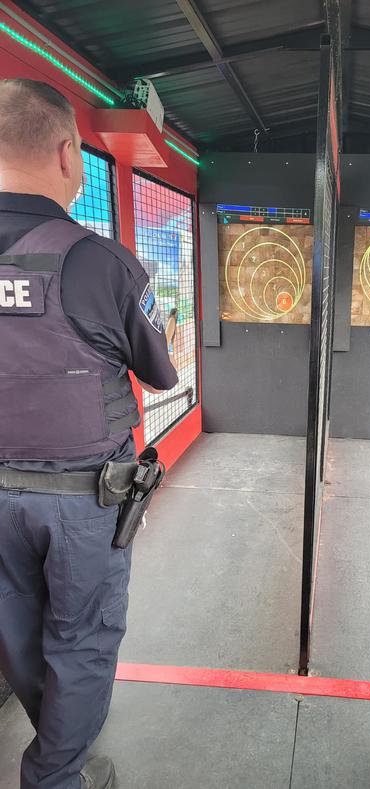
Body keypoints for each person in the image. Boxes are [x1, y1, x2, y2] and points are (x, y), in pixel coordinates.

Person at [0, 79, 178, 789]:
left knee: (15, 629)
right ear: (68, 153)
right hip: (83, 501)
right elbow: (160, 372)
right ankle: (56, 772)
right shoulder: (99, 262)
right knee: (81, 641)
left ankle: (57, 746)